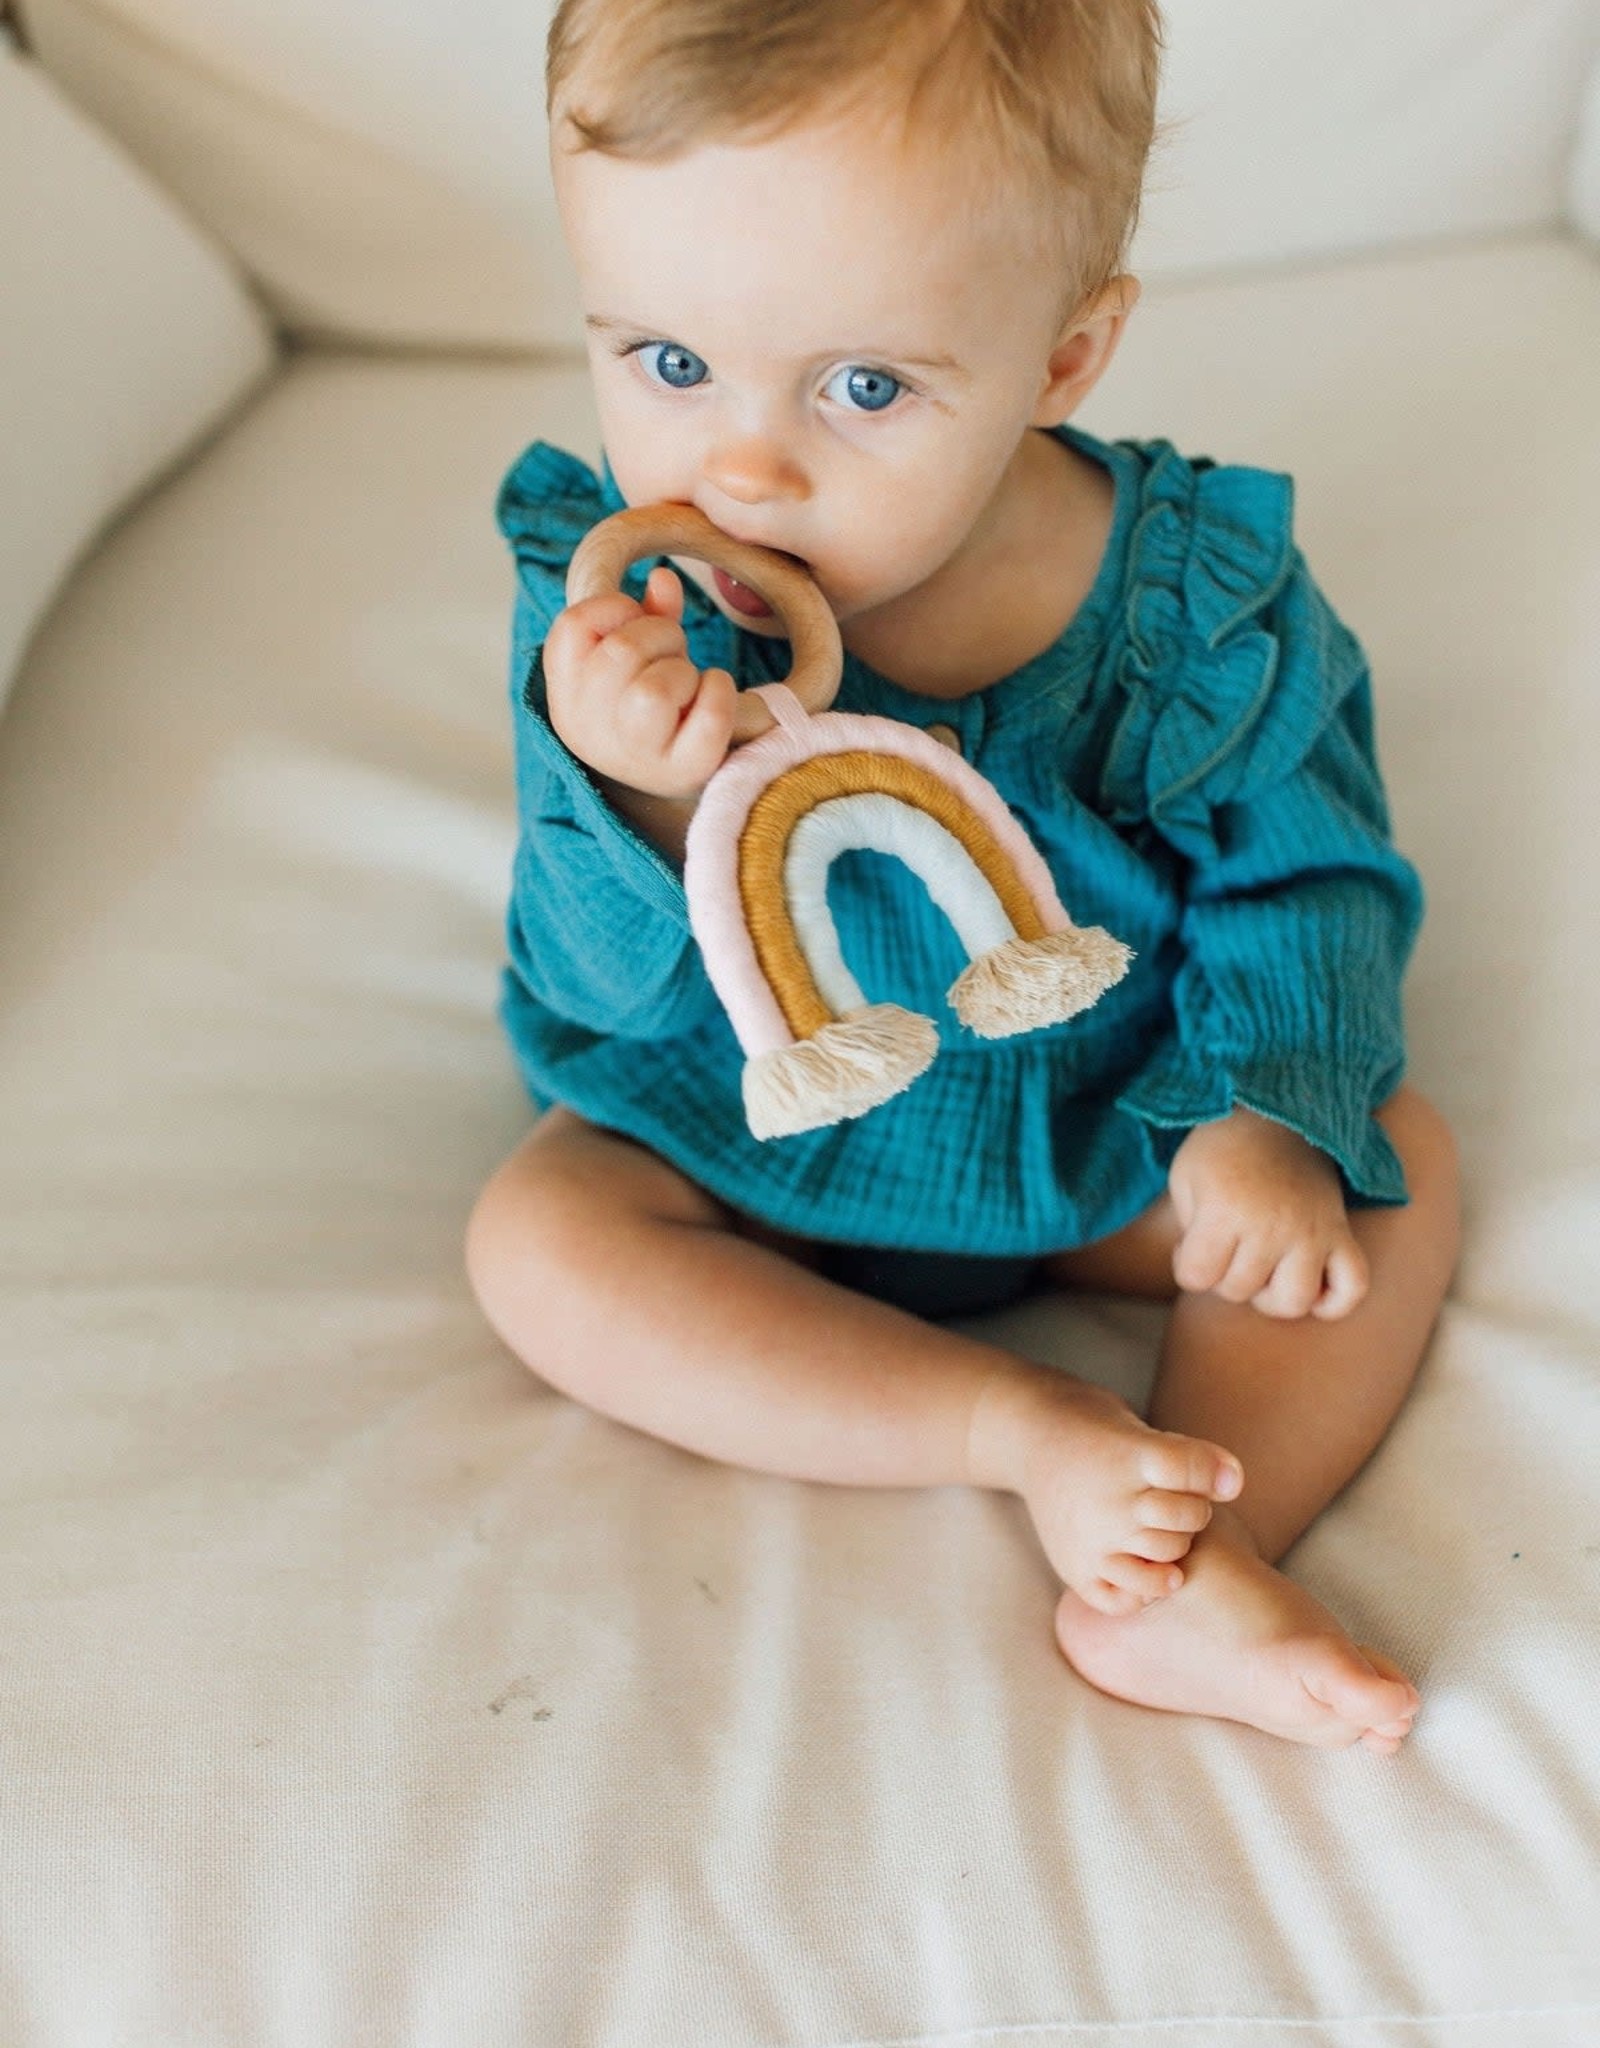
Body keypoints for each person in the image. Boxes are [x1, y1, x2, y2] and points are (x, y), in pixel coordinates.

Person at [466, 0, 1460, 1752]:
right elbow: (583, 984)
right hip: (733, 1139)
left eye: (864, 387)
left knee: (1396, 1172)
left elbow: (1311, 876)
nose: (741, 468)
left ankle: (1197, 1565)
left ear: (1064, 360)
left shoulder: (1187, 608)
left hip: (1105, 1132)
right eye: (669, 363)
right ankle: (1018, 1431)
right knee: (540, 1240)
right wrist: (623, 790)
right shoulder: (614, 613)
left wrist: (1262, 1121)